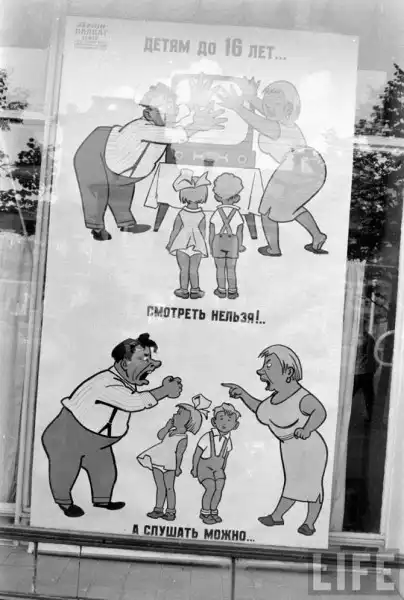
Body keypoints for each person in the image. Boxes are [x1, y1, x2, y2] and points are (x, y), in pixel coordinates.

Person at [42, 333, 183, 518]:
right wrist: (164, 391)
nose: (150, 364)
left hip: (97, 442)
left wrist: (146, 373)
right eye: (143, 359)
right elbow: (132, 402)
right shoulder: (105, 383)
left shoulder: (125, 381)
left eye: (150, 359)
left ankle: (102, 500)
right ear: (124, 363)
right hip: (69, 436)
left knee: (105, 470)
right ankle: (65, 503)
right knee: (65, 471)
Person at [74, 83, 226, 241]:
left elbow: (181, 120)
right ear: (149, 113)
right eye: (168, 108)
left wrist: (199, 107)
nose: (174, 111)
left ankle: (125, 223)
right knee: (96, 190)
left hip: (123, 168)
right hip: (96, 152)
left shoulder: (165, 122)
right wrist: (196, 126)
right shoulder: (142, 128)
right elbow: (173, 135)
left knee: (122, 190)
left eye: (173, 107)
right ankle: (97, 228)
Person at [222, 344, 327, 536]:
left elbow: (319, 412)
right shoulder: (274, 399)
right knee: (293, 482)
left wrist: (306, 429)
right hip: (289, 447)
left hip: (310, 447)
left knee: (311, 485)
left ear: (288, 372)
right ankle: (278, 517)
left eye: (269, 366)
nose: (261, 371)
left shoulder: (301, 397)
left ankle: (309, 523)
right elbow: (259, 408)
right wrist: (242, 394)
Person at [216, 78, 327, 257]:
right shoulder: (281, 119)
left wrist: (237, 106)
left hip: (296, 169)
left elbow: (255, 121)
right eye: (267, 104)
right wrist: (250, 96)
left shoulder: (275, 127)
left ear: (289, 108)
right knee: (291, 206)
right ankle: (317, 235)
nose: (268, 108)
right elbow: (264, 109)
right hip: (309, 168)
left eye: (276, 104)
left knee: (267, 210)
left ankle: (273, 249)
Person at [137, 395, 211, 521]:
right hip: (157, 460)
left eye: (179, 414)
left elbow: (179, 454)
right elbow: (160, 436)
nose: (175, 415)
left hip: (170, 464)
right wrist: (166, 427)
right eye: (177, 412)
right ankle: (158, 509)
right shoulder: (170, 430)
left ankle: (170, 511)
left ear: (188, 422)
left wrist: (177, 467)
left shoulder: (183, 438)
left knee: (169, 488)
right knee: (160, 487)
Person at [191, 402, 241, 525]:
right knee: (211, 488)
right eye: (221, 419)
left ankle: (213, 511)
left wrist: (223, 469)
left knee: (219, 489)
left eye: (229, 420)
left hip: (218, 469)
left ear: (235, 425)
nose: (225, 423)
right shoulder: (207, 437)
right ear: (214, 422)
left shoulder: (228, 441)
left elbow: (225, 457)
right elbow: (197, 453)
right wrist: (194, 468)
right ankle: (205, 512)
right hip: (204, 468)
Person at [166, 170, 210, 299]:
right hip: (197, 245)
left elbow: (175, 230)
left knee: (184, 269)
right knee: (194, 270)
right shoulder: (202, 214)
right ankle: (195, 290)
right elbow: (203, 232)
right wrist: (202, 244)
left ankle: (184, 290)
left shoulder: (181, 213)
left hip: (181, 243)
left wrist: (170, 243)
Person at [209, 173, 246, 299]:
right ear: (236, 197)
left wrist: (211, 245)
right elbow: (239, 231)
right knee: (231, 268)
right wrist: (239, 245)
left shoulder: (216, 213)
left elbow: (212, 231)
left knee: (220, 268)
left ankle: (221, 290)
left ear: (217, 196)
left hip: (218, 242)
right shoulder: (237, 213)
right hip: (233, 242)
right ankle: (232, 291)